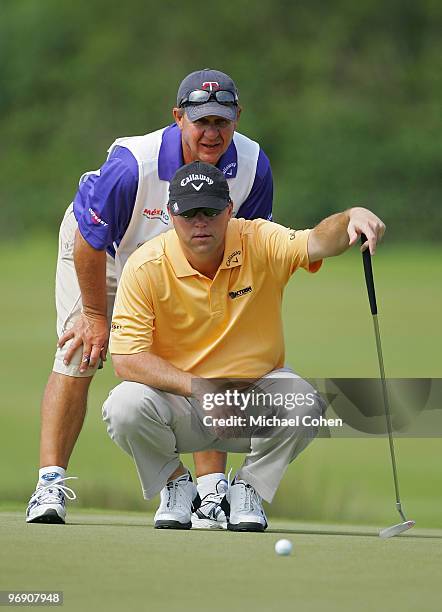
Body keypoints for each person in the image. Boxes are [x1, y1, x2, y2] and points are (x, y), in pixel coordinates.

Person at [26, 69, 273, 528]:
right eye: (201, 122)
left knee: (208, 354)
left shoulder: (254, 165)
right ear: (178, 117)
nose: (212, 133)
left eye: (222, 121)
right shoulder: (132, 164)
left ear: (237, 118)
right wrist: (97, 315)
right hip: (108, 252)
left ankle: (210, 493)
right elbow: (89, 240)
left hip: (190, 263)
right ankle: (49, 485)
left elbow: (247, 246)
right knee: (81, 350)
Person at [102, 161, 386, 531]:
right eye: (189, 212)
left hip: (252, 401)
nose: (200, 221)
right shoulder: (145, 265)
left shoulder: (259, 239)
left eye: (210, 210)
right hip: (181, 404)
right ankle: (175, 485)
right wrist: (200, 388)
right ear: (171, 214)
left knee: (305, 402)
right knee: (123, 406)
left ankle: (248, 489)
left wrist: (351, 215)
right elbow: (127, 359)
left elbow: (317, 241)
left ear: (229, 210)